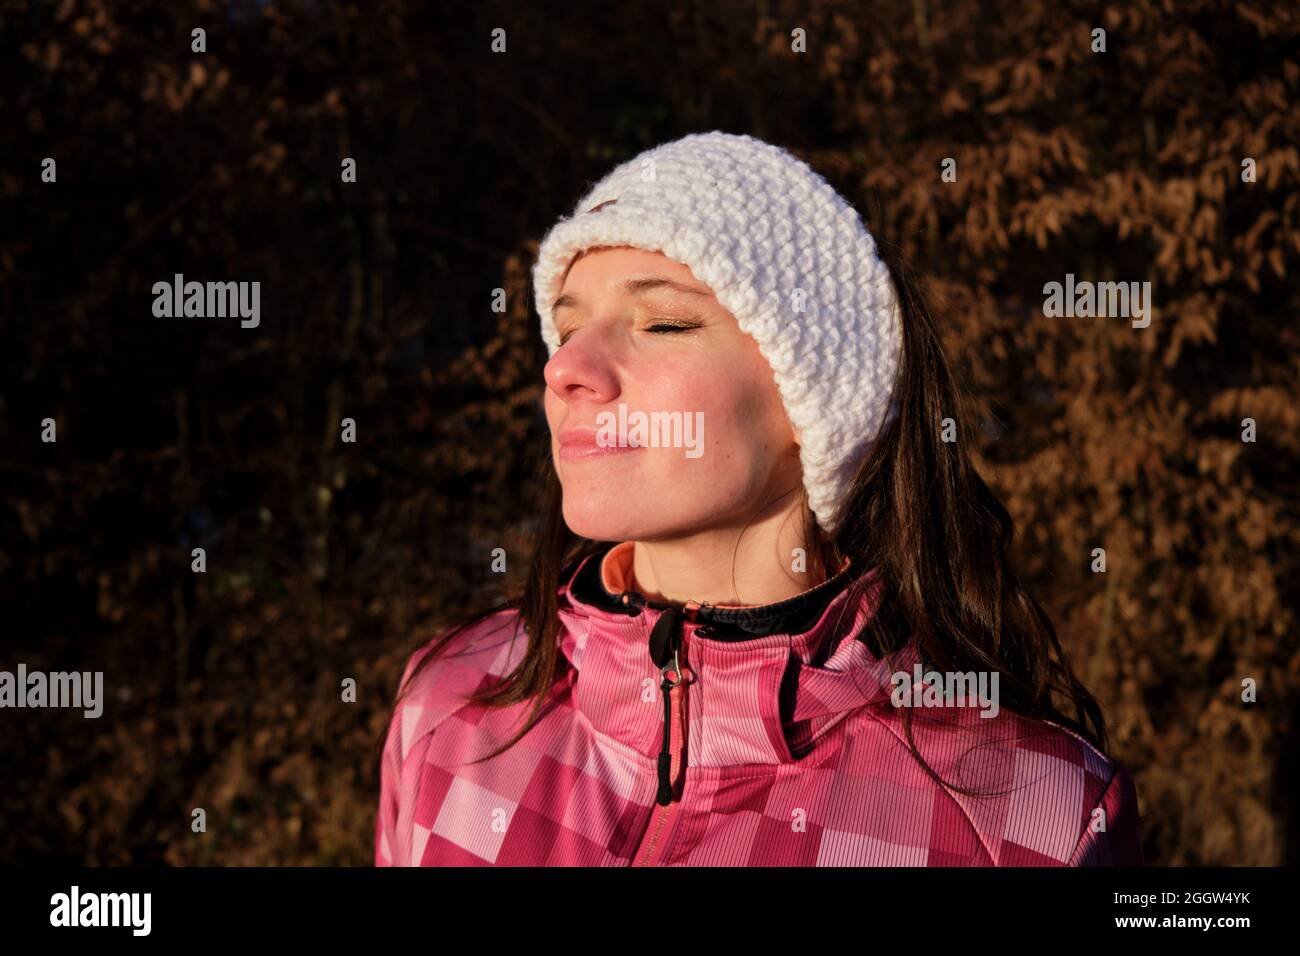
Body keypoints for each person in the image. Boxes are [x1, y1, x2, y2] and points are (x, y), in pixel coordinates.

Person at [375, 130, 1144, 866]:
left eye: (664, 322)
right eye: (567, 327)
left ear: (810, 398)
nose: (567, 367)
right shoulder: (448, 705)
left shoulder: (1032, 822)